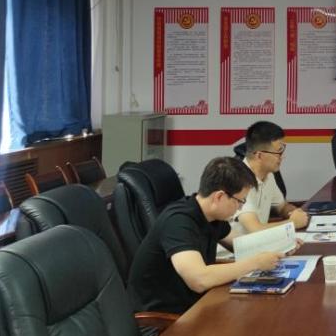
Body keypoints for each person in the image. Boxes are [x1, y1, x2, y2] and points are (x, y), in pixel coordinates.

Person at [128, 156, 298, 314]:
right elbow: (199, 280)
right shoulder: (178, 222)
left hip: (195, 305)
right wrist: (255, 263)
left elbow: (242, 245)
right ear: (219, 197)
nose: (240, 208)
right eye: (240, 201)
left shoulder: (211, 216)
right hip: (165, 319)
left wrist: (281, 245)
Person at [231, 121, 309, 237]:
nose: (282, 156)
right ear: (259, 155)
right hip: (237, 247)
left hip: (262, 243)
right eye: (278, 152)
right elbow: (255, 230)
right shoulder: (239, 180)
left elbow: (282, 207)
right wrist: (292, 223)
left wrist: (294, 213)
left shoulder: (268, 175)